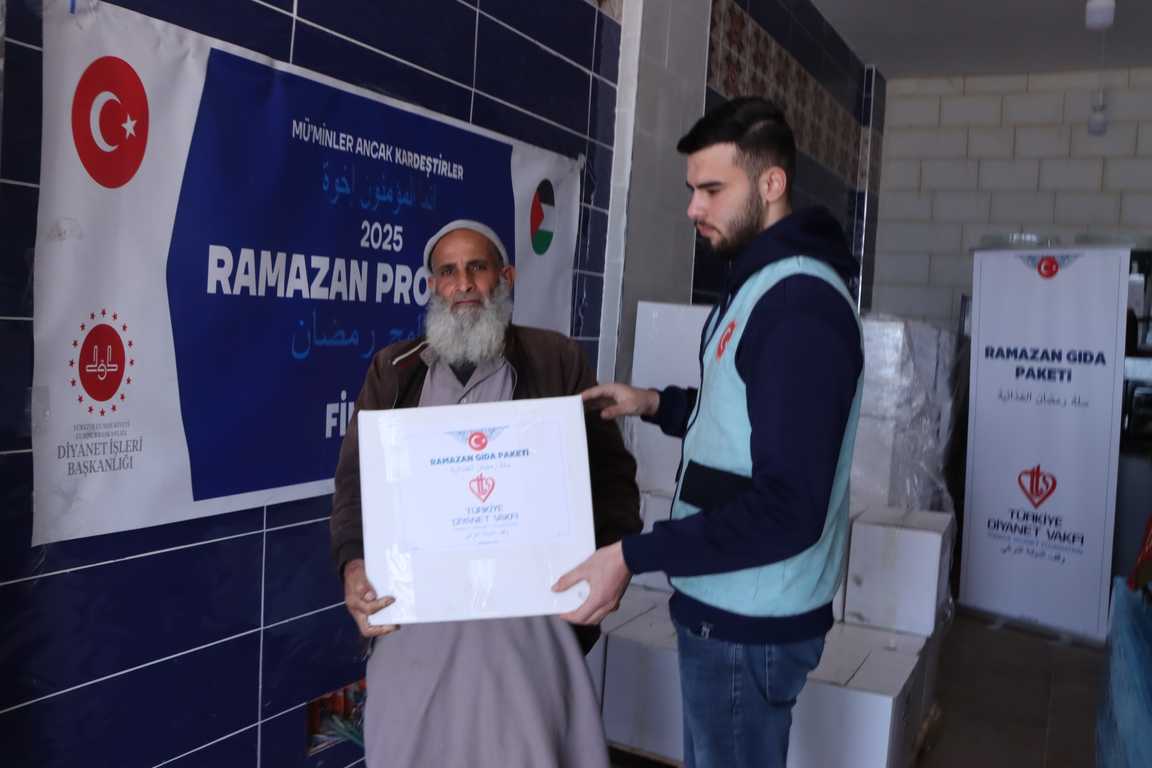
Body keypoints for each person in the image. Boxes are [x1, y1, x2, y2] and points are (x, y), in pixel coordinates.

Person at [555, 97, 865, 768]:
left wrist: (632, 554)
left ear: (771, 183)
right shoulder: (762, 284)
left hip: (750, 621)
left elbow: (790, 508)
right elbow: (744, 416)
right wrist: (652, 404)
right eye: (692, 189)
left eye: (712, 189)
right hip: (729, 607)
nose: (694, 208)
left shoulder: (799, 305)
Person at [330, 219, 641, 767]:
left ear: (505, 277)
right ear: (432, 286)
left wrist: (615, 561)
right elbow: (356, 484)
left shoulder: (554, 359)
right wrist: (354, 565)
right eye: (448, 272)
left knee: (527, 748)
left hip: (527, 630)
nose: (464, 284)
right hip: (418, 624)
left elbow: (611, 475)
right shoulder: (394, 371)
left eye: (477, 268)